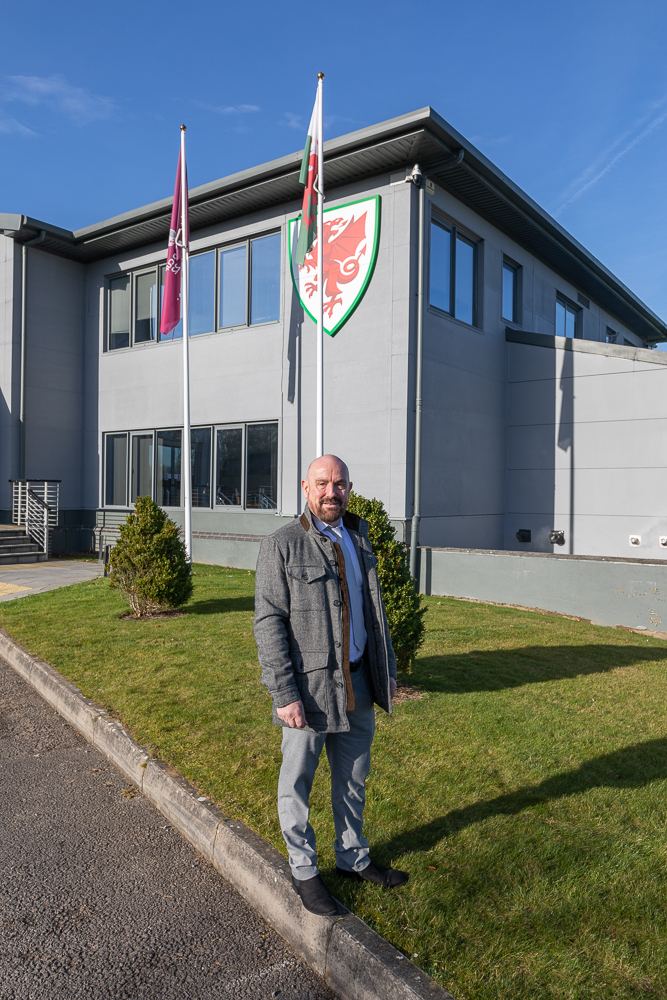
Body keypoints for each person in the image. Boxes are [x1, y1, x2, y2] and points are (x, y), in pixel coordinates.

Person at [254, 454, 408, 916]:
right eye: (322, 483)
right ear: (305, 488)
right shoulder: (281, 545)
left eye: (339, 484)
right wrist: (284, 694)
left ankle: (352, 858)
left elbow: (373, 615)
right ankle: (304, 871)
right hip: (310, 690)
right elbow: (268, 623)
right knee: (297, 782)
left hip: (359, 681)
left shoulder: (359, 538)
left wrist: (389, 670)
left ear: (349, 488)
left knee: (353, 778)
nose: (331, 492)